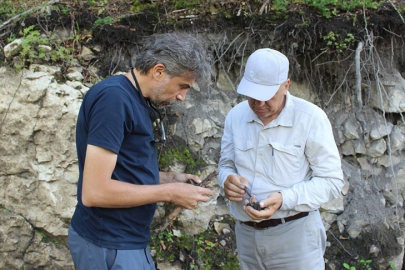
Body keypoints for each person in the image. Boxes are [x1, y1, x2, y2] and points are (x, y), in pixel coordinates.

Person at [68, 32, 214, 270]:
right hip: (108, 243)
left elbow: (123, 172)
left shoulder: (135, 99)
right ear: (158, 71)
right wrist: (169, 192)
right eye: (182, 86)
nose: (182, 96)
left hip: (125, 242)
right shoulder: (114, 100)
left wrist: (169, 179)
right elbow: (94, 192)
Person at [217, 48, 344, 270]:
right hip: (246, 235)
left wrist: (284, 199)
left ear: (286, 85)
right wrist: (227, 179)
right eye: (252, 96)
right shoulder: (235, 116)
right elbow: (226, 164)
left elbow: (331, 182)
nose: (258, 104)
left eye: (266, 97)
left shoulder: (311, 119)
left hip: (295, 238)